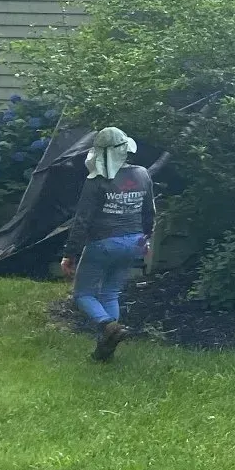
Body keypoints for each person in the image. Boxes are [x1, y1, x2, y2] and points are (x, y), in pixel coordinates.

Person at [59, 127, 156, 363]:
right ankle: (105, 350)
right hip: (134, 242)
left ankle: (107, 327)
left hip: (103, 244)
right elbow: (149, 212)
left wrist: (69, 254)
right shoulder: (142, 174)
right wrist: (146, 238)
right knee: (110, 292)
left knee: (83, 294)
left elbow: (82, 221)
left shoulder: (96, 181)